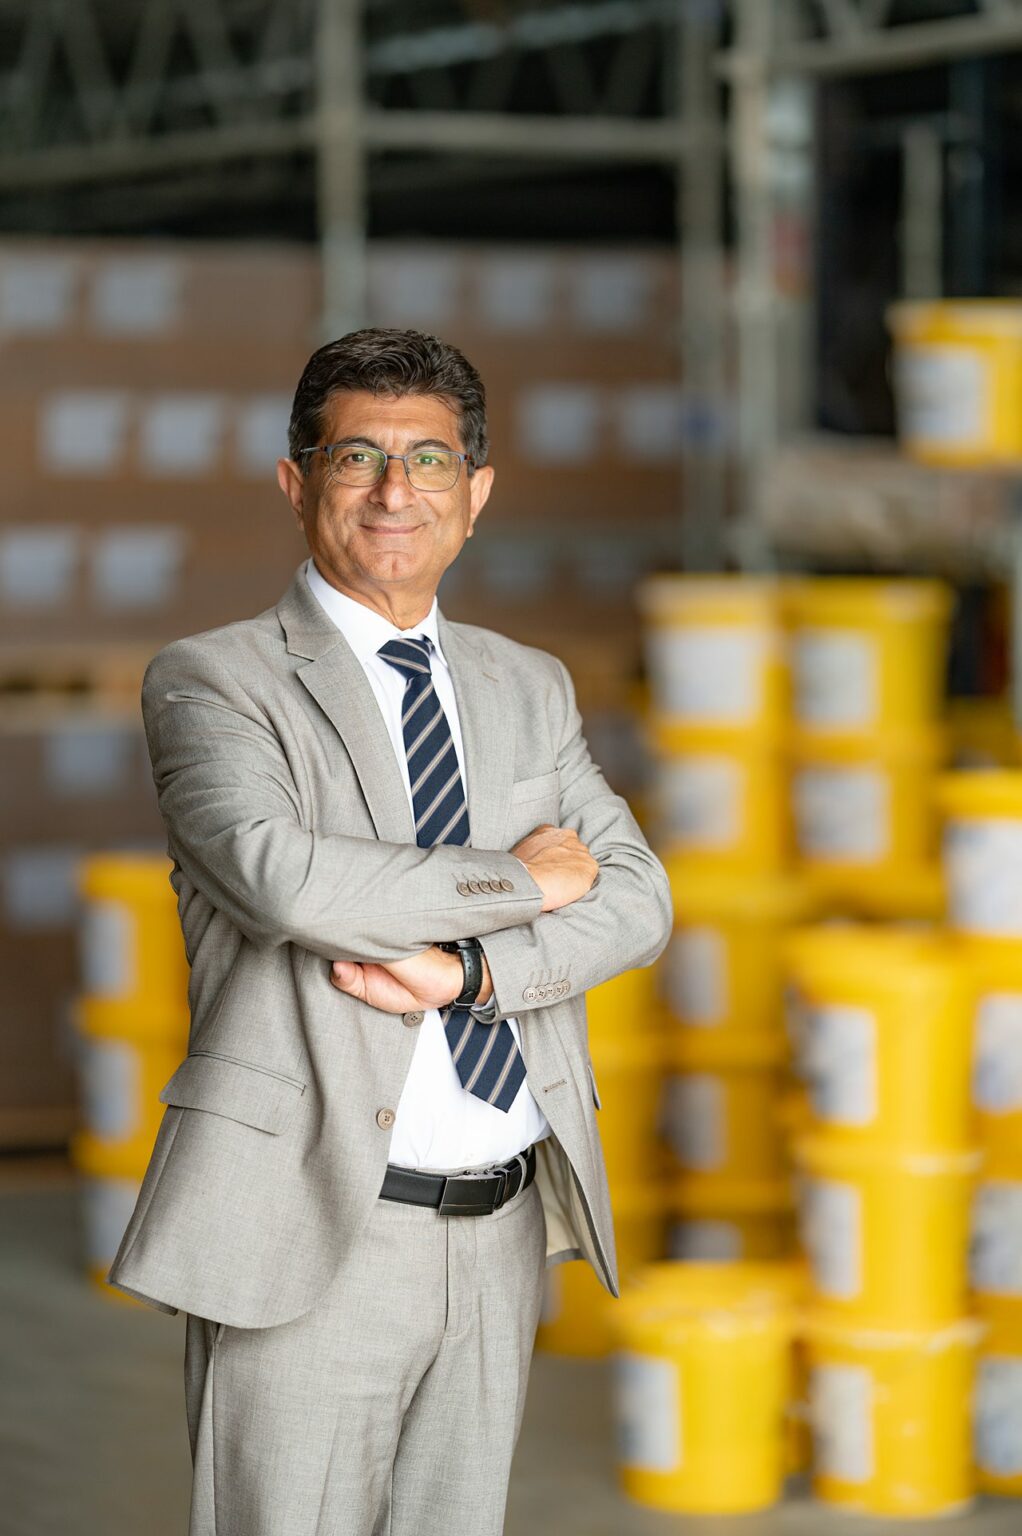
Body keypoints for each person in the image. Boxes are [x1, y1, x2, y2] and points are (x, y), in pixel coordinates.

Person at [108, 326, 672, 1536]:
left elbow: (636, 897)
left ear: (473, 495)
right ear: (296, 480)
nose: (390, 491)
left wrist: (465, 971)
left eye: (425, 461)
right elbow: (284, 880)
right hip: (313, 1224)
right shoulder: (215, 680)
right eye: (355, 456)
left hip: (501, 1222)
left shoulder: (525, 683)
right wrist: (516, 879)